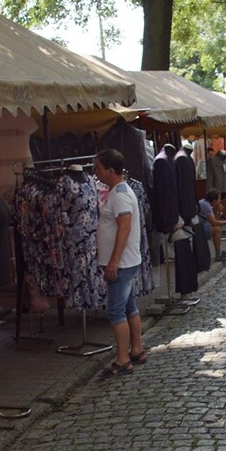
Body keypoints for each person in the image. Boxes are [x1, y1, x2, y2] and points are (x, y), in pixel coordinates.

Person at [94, 149, 146, 377]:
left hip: (122, 264)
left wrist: (113, 262)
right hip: (126, 261)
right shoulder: (119, 191)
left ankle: (123, 360)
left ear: (110, 170)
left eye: (98, 168)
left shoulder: (121, 195)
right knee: (128, 307)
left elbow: (124, 227)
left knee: (116, 312)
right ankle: (136, 350)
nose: (95, 172)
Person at [199, 190, 226, 261]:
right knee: (217, 229)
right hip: (199, 229)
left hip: (202, 226)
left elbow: (215, 219)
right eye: (219, 199)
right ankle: (218, 255)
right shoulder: (206, 206)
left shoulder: (206, 203)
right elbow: (214, 223)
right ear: (214, 200)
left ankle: (219, 251)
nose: (220, 201)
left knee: (218, 227)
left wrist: (219, 211)